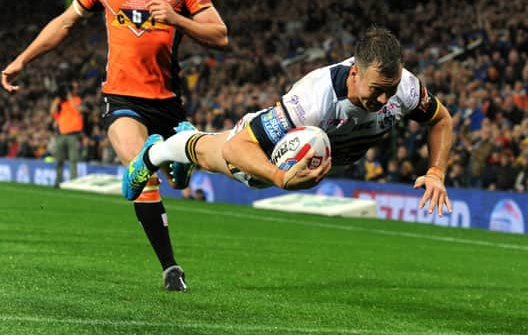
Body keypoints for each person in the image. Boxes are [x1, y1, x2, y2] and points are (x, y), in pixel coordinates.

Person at [1, 0, 228, 291]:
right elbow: (65, 22)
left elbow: (220, 35)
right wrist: (23, 59)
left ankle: (178, 165)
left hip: (168, 101)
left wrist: (175, 18)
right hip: (122, 97)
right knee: (141, 170)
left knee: (170, 174)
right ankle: (170, 267)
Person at [123, 26, 453, 227]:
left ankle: (183, 148)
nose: (383, 100)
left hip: (319, 150)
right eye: (376, 90)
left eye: (390, 91)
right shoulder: (314, 99)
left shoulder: (407, 88)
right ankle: (156, 152)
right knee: (223, 158)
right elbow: (236, 148)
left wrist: (436, 171)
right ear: (355, 73)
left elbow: (441, 119)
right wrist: (281, 177)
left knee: (212, 154)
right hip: (268, 147)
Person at [50, 82, 84, 186]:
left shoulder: (77, 99)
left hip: (73, 135)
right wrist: (58, 98)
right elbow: (52, 111)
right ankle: (58, 181)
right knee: (59, 159)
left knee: (73, 159)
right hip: (61, 135)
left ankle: (73, 181)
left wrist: (69, 97)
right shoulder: (61, 104)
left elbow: (77, 109)